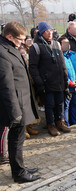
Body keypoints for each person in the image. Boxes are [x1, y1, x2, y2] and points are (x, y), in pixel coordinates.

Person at [0, 21, 40, 183]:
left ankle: (20, 167)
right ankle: (19, 174)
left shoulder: (10, 47)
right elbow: (6, 85)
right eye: (20, 39)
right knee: (16, 140)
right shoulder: (2, 52)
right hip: (14, 104)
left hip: (22, 101)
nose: (23, 42)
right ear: (9, 36)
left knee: (19, 138)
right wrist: (14, 111)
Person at [29, 21, 70, 136]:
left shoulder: (56, 44)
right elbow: (33, 67)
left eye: (50, 30)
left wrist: (65, 78)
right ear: (41, 33)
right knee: (50, 105)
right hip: (46, 83)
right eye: (46, 31)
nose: (49, 33)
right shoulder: (36, 47)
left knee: (60, 103)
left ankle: (60, 122)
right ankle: (51, 125)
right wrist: (39, 83)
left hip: (59, 81)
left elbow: (62, 63)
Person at [59, 37, 76, 127]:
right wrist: (69, 82)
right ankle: (66, 124)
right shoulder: (59, 56)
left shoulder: (73, 54)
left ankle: (74, 122)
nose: (67, 45)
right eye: (64, 43)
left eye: (67, 43)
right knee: (66, 107)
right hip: (67, 87)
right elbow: (61, 72)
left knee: (74, 105)